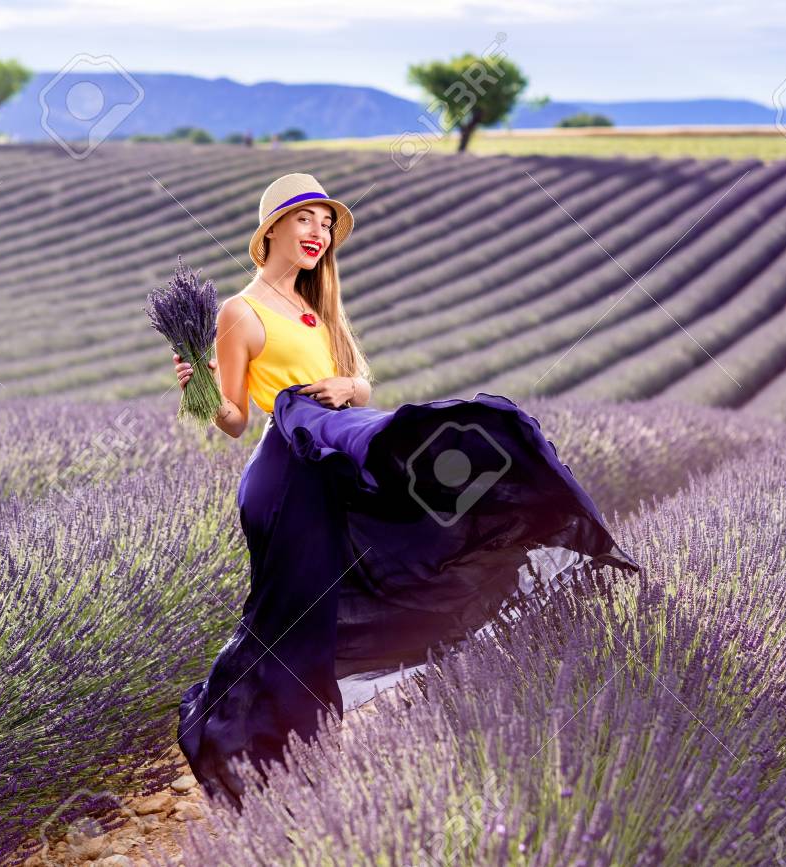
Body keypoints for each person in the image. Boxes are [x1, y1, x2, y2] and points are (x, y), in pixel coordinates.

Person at [171, 172, 641, 810]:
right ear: (271, 231)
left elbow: (357, 381)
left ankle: (292, 764)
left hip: (333, 466)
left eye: (327, 222)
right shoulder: (240, 311)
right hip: (286, 477)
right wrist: (196, 385)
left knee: (336, 606)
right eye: (305, 219)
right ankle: (249, 755)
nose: (319, 233)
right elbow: (233, 419)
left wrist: (347, 391)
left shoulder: (319, 307)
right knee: (294, 624)